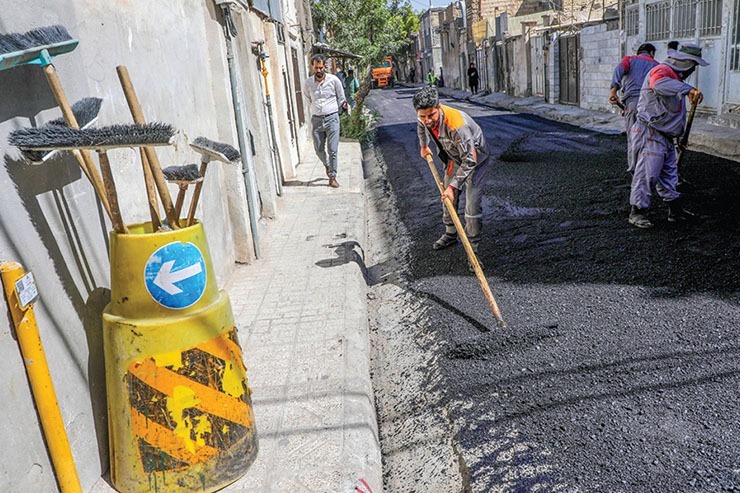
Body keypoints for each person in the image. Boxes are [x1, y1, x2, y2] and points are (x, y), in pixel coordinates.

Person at [627, 43, 709, 228]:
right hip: (650, 132)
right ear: (686, 63)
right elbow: (658, 85)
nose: (693, 70)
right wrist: (688, 89)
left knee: (669, 175)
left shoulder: (676, 81)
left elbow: (675, 112)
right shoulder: (662, 71)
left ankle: (675, 211)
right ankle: (637, 212)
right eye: (693, 66)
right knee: (647, 173)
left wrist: (679, 135)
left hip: (664, 135)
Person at [413, 86, 490, 271]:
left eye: (431, 115)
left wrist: (453, 186)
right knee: (447, 199)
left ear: (438, 107)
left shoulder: (457, 124)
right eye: (423, 116)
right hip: (455, 158)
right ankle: (450, 233)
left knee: (471, 207)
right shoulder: (424, 117)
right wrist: (424, 146)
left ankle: (473, 251)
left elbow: (470, 160)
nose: (427, 120)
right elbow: (421, 127)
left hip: (475, 161)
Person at [609, 43, 658, 176]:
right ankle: (650, 169)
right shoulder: (657, 65)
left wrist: (613, 91)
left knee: (633, 136)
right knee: (650, 137)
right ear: (651, 53)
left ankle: (635, 170)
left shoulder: (630, 59)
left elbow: (618, 70)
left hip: (633, 103)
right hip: (651, 105)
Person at [304, 54, 347, 188]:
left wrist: (343, 105)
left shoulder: (334, 81)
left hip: (332, 119)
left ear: (324, 67)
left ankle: (332, 177)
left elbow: (341, 97)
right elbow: (307, 99)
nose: (318, 70)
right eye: (316, 68)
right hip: (316, 120)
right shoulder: (308, 83)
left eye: (321, 67)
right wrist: (315, 109)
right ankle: (327, 164)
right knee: (318, 149)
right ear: (313, 67)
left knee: (332, 150)